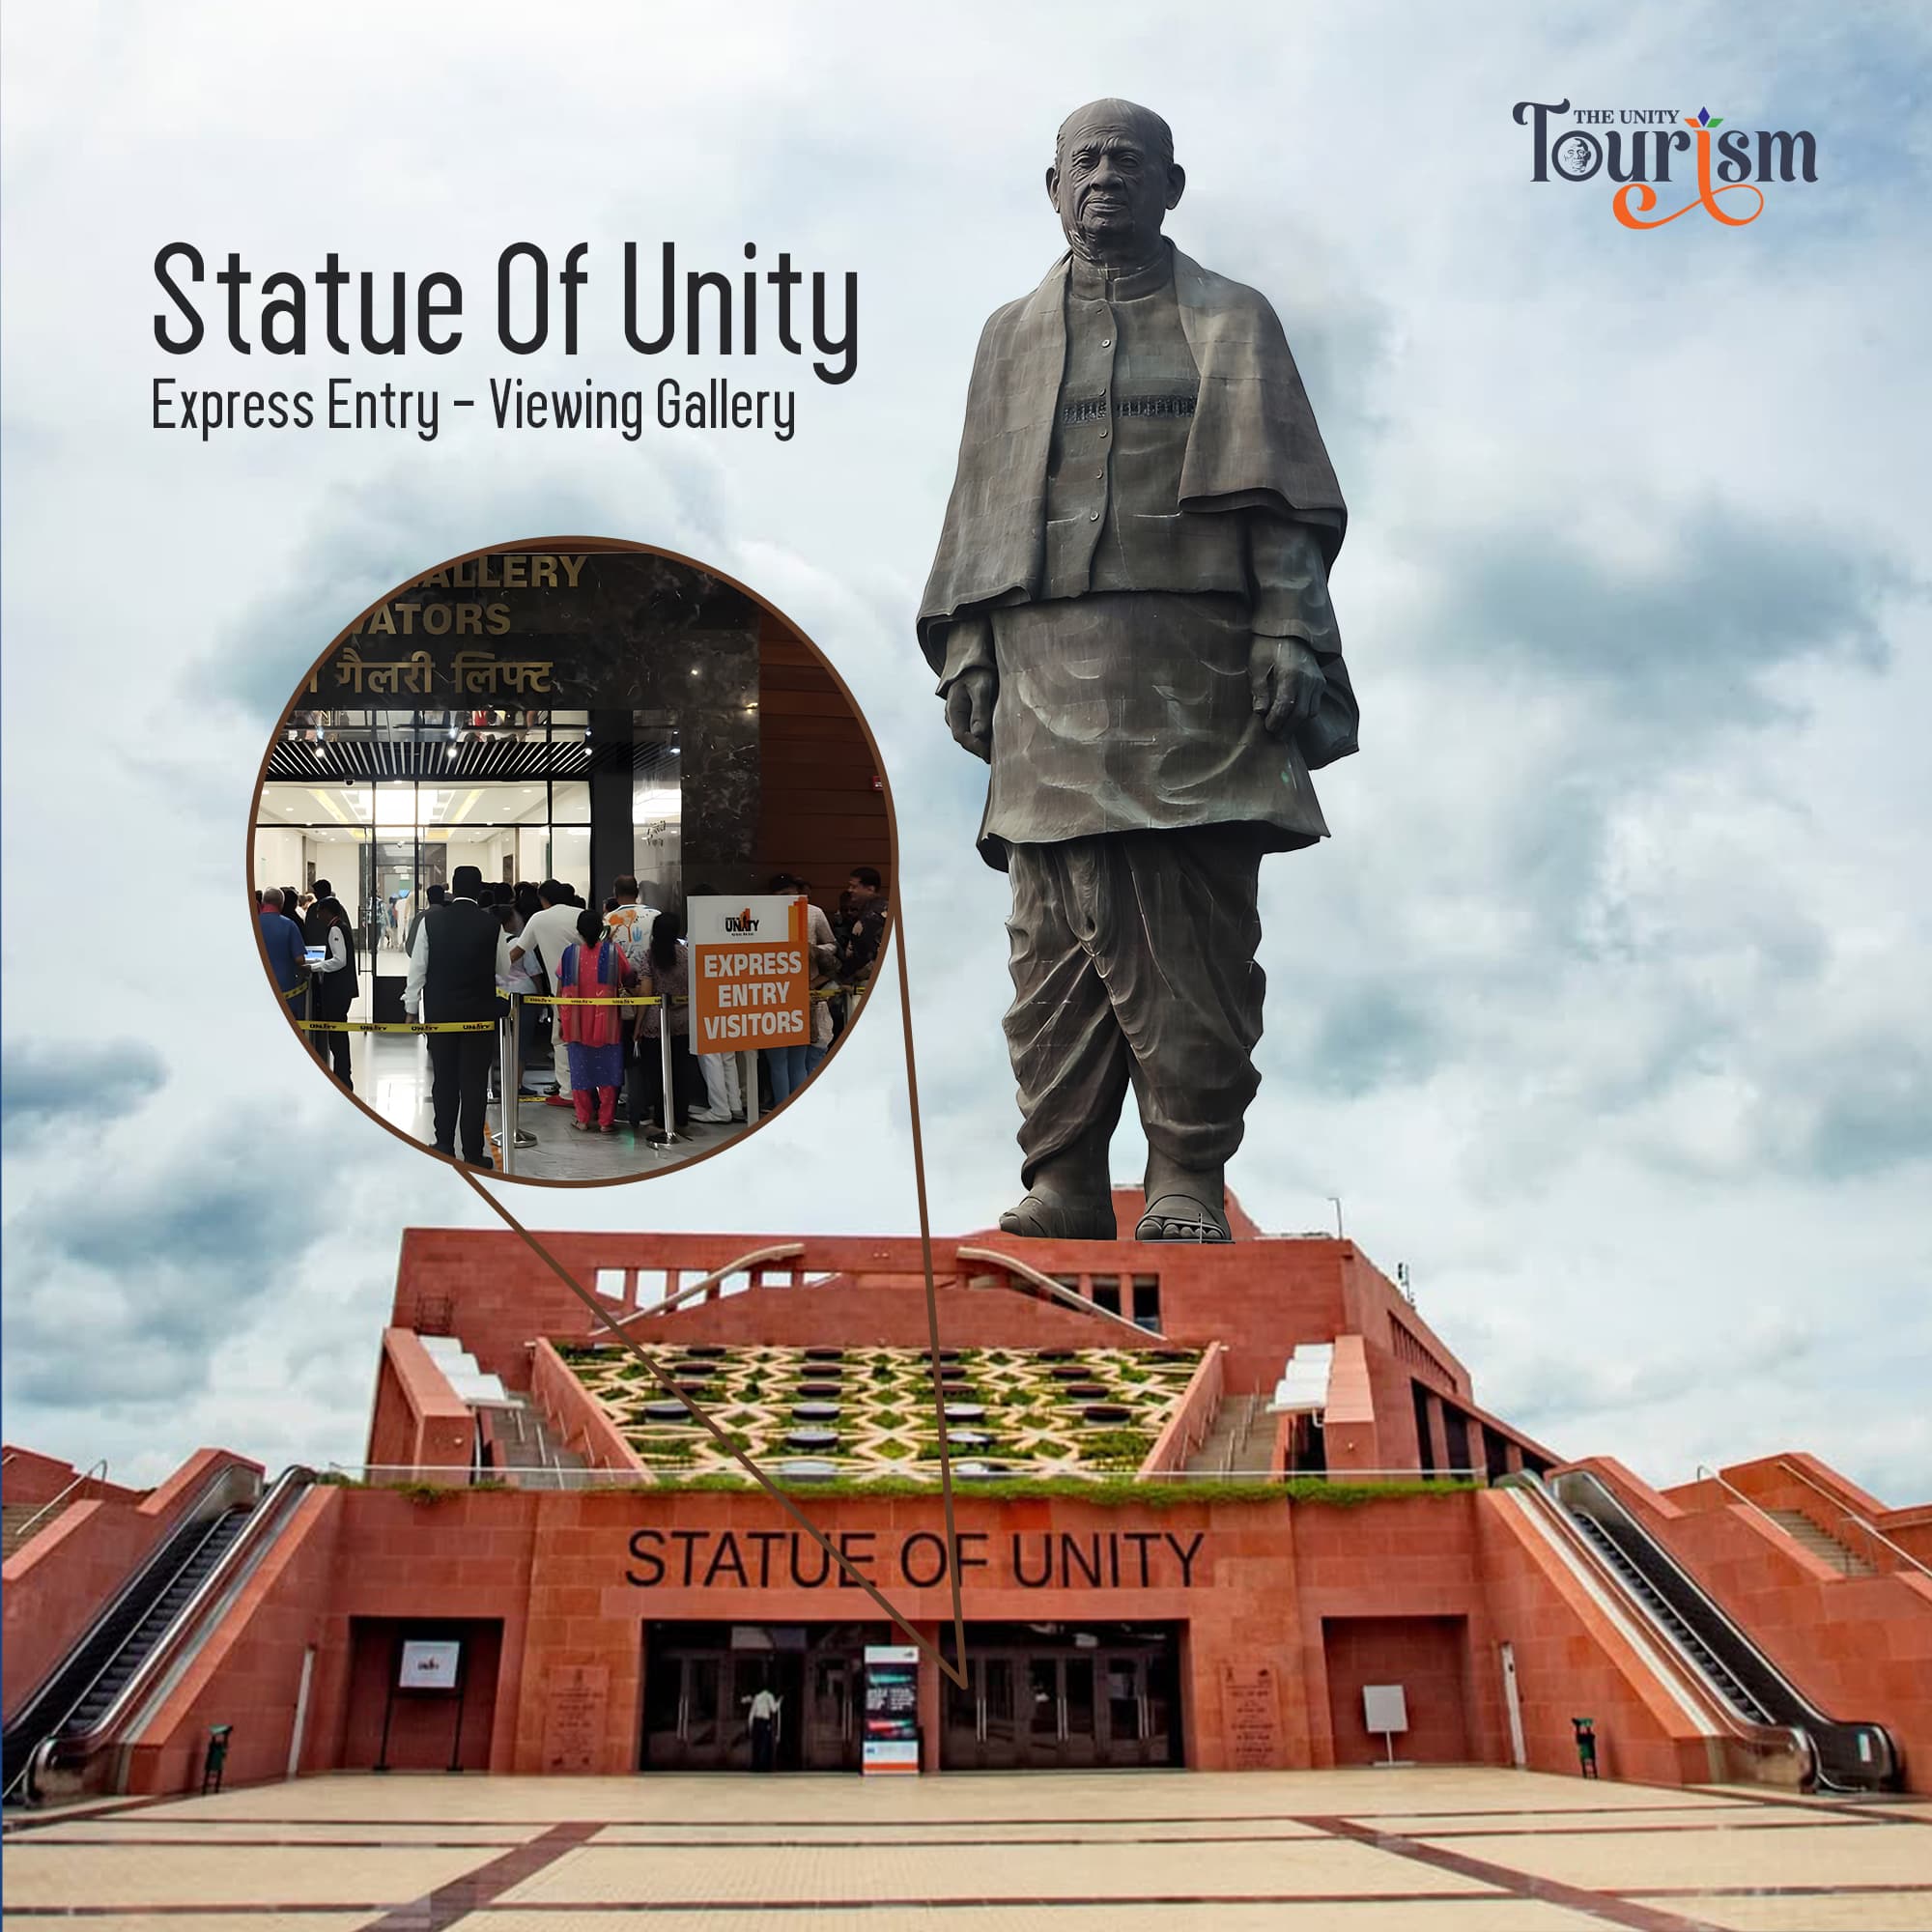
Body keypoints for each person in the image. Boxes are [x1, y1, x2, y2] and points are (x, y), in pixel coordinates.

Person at [919, 99, 1358, 1243]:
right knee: (1048, 929)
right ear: (1051, 185)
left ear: (1171, 184)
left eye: (1129, 161)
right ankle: (1062, 1176)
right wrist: (968, 648)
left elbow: (1281, 508)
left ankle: (1182, 1177)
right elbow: (973, 510)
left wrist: (1285, 630)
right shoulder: (1006, 336)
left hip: (1192, 660)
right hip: (1042, 662)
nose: (1105, 176)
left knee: (1193, 924)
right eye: (1085, 161)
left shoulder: (1231, 320)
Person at [405, 864, 511, 1164]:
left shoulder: (432, 921)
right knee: (474, 1084)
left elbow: (418, 968)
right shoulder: (492, 925)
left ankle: (444, 1145)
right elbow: (503, 969)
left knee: (445, 1080)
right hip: (479, 1015)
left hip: (440, 1014)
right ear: (479, 890)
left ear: (452, 887)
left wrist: (411, 1008)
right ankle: (474, 1153)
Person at [555, 906, 638, 1133]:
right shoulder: (613, 952)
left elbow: (561, 989)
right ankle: (605, 1121)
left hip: (576, 1025)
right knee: (610, 1072)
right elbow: (629, 976)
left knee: (580, 1072)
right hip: (608, 1025)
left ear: (579, 931)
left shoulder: (569, 954)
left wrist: (562, 1021)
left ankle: (582, 1119)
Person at [511, 881, 590, 1101]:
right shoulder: (582, 914)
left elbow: (518, 951)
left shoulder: (539, 919)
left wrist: (493, 968)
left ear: (543, 899)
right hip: (596, 988)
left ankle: (568, 1093)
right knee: (592, 1037)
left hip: (563, 990)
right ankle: (592, 1091)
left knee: (562, 1038)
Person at [631, 910, 696, 1139]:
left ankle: (660, 1120)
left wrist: (638, 1025)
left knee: (657, 1075)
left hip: (655, 1024)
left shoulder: (649, 956)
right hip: (685, 1023)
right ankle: (681, 1119)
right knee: (682, 1072)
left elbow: (646, 993)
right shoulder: (688, 955)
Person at [686, 880, 744, 1124]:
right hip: (731, 993)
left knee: (709, 1054)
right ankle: (735, 1105)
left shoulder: (701, 925)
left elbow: (691, 956)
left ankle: (720, 1109)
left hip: (707, 993)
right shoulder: (731, 923)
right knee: (728, 1054)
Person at [303, 895, 358, 1089]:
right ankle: (342, 1074)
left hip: (337, 990)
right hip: (342, 990)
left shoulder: (335, 929)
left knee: (337, 1036)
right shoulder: (340, 927)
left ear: (327, 912)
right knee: (338, 1034)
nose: (317, 916)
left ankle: (343, 1076)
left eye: (319, 912)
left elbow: (339, 960)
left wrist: (315, 967)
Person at [257, 887, 309, 1004]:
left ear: (263, 902)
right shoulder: (289, 925)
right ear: (282, 904)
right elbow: (300, 959)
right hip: (284, 985)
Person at [838, 867, 887, 989]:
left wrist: (851, 977)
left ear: (870, 889)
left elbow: (870, 956)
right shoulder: (882, 907)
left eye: (854, 887)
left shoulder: (871, 917)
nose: (850, 890)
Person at [404, 882, 444, 959]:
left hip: (413, 915)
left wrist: (405, 916)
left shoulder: (411, 895)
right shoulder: (424, 895)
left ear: (429, 899)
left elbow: (410, 947)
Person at [747, 1681, 781, 1773]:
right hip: (764, 1722)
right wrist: (778, 1703)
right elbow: (773, 1709)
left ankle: (755, 1766)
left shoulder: (757, 1697)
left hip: (757, 1722)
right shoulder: (769, 1696)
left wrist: (750, 1726)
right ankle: (764, 1766)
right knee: (765, 1745)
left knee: (757, 1744)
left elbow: (752, 1713)